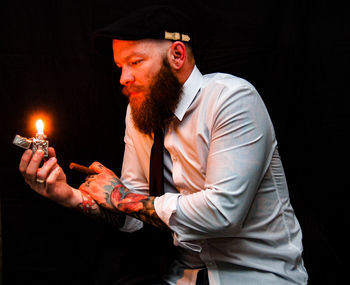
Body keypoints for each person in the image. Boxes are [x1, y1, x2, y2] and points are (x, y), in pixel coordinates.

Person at [19, 5, 308, 285]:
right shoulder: (138, 112)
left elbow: (223, 213)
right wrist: (69, 195)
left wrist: (121, 197)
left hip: (257, 276)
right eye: (120, 66)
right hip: (183, 277)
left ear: (177, 55)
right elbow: (138, 216)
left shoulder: (232, 100)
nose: (123, 78)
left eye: (135, 62)